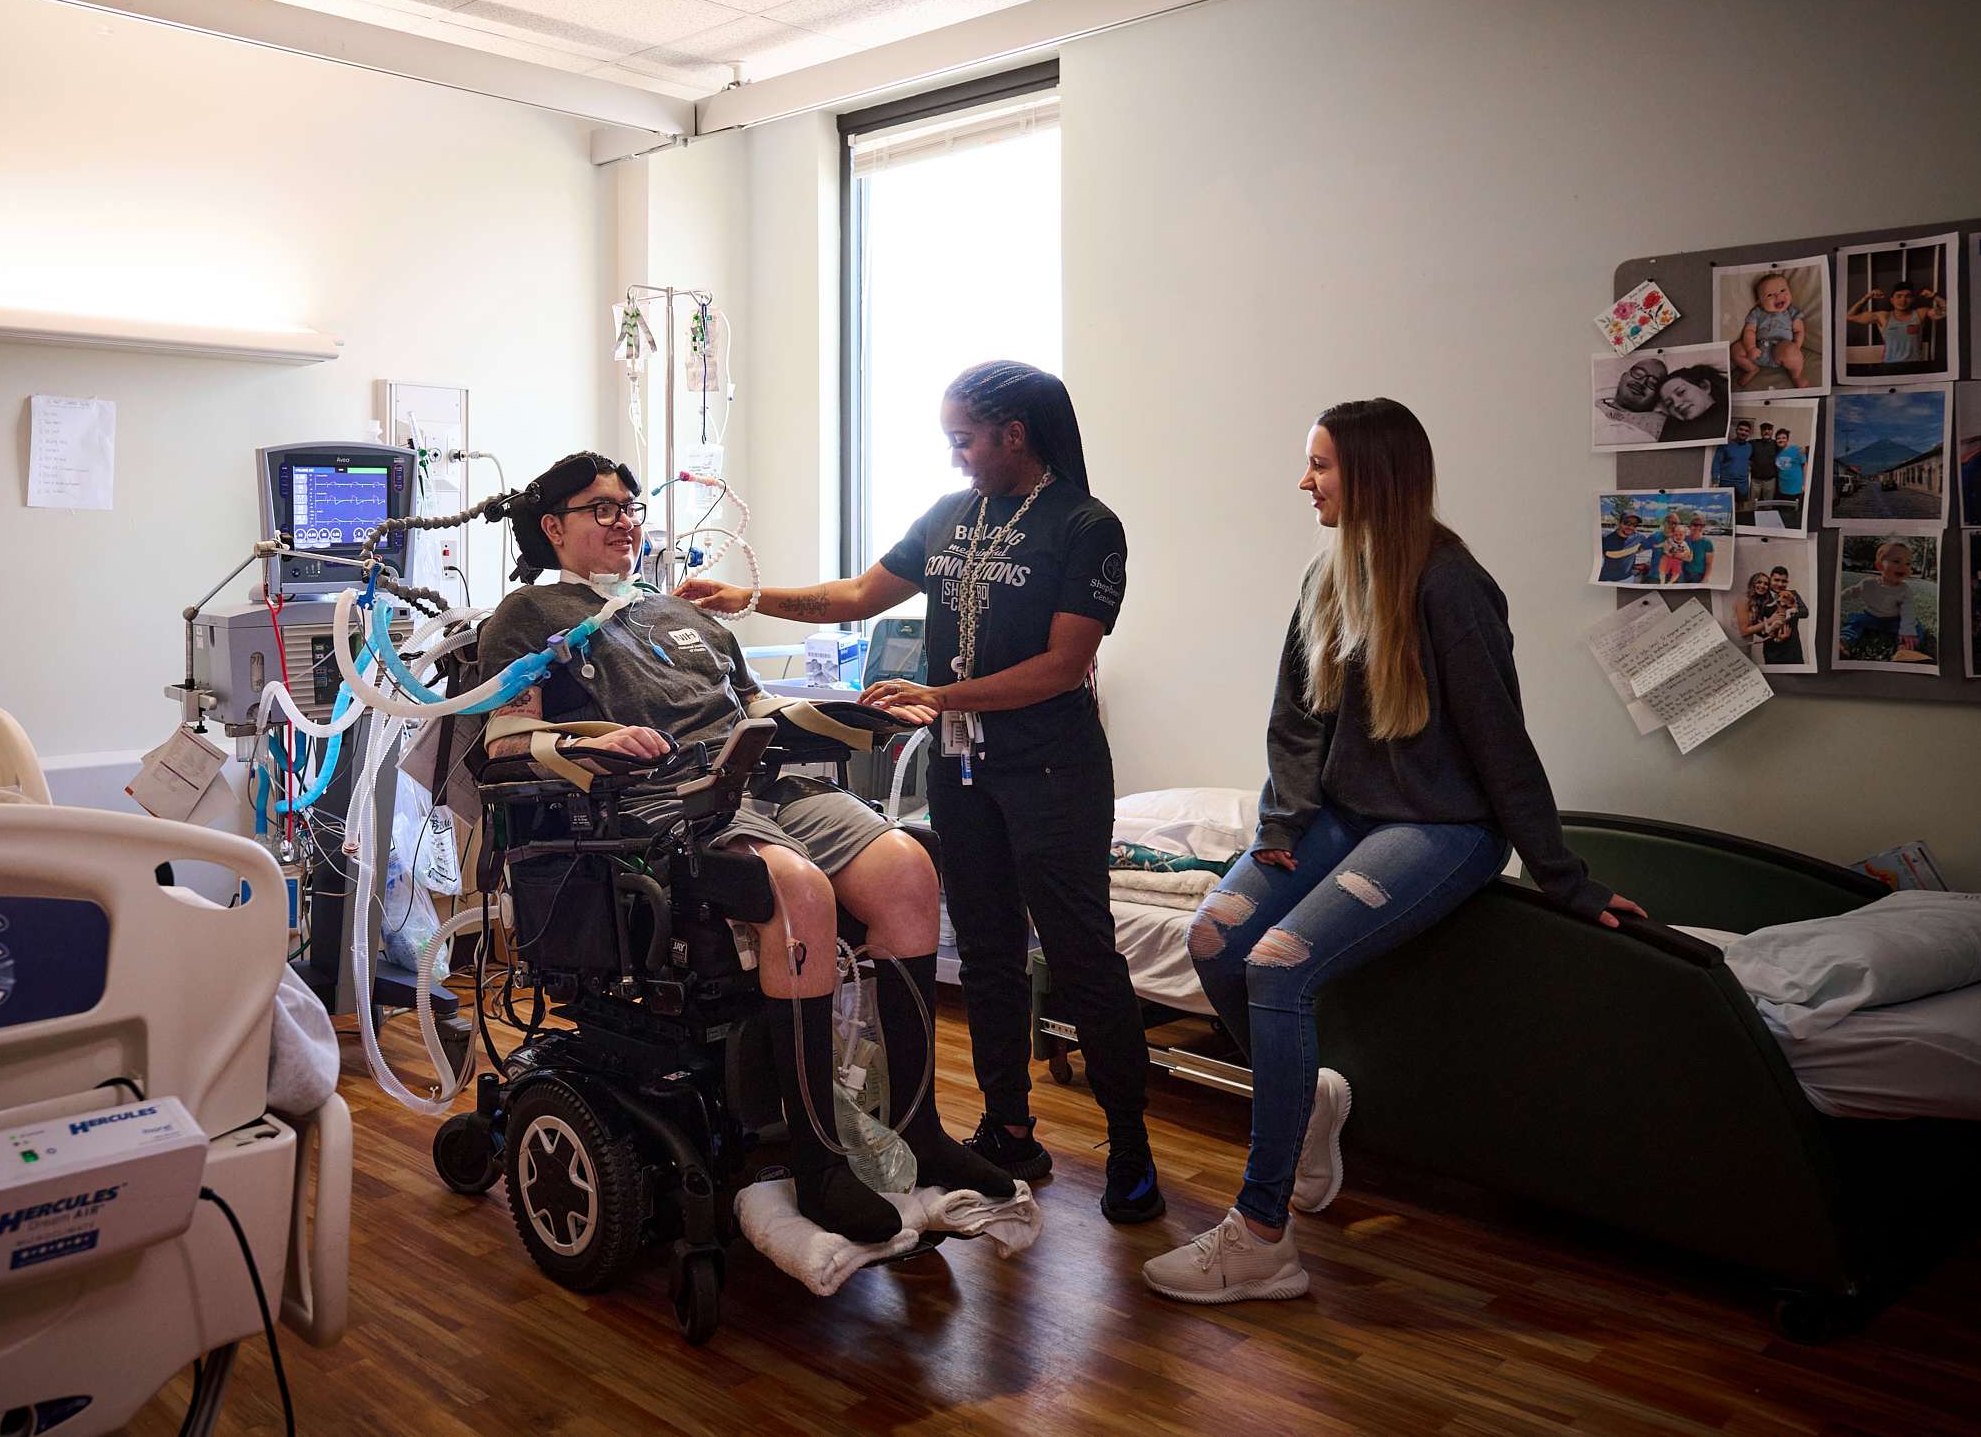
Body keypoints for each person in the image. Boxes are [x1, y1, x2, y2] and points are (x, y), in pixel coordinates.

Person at [1143, 397, 1646, 1305]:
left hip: (1444, 828)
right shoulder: (1328, 573)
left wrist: (1565, 879)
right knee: (1212, 938)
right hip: (1340, 814)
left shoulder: (1453, 587)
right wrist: (1285, 828)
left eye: (1321, 466)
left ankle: (1262, 1237)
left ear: (1373, 475)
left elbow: (1503, 744)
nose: (1305, 481)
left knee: (1279, 964)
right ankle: (1314, 1103)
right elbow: (1295, 723)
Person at [477, 452, 1012, 1245]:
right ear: (554, 526)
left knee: (907, 868)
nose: (626, 520)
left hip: (759, 783)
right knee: (799, 892)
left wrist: (856, 715)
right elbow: (505, 737)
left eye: (630, 505)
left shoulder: (683, 615)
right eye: (602, 509)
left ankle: (918, 1127)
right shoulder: (526, 617)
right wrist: (598, 738)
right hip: (661, 805)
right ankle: (819, 1160)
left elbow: (759, 709)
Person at [681, 362, 1163, 1224]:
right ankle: (1008, 1127)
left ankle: (1131, 1146)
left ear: (1015, 435)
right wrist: (744, 596)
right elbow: (857, 595)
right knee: (982, 955)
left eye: (964, 440)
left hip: (1052, 772)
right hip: (964, 772)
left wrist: (941, 697)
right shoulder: (949, 519)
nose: (956, 459)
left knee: (1083, 956)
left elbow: (1064, 666)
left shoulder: (1087, 528)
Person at [1839, 540, 1933, 663]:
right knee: (1855, 622)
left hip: (1894, 620)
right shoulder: (1868, 583)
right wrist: (1837, 598)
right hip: (1871, 617)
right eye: (1896, 561)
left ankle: (1905, 651)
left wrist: (1907, 630)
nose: (1903, 566)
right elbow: (1852, 592)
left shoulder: (1904, 590)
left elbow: (1908, 612)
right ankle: (1842, 643)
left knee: (1916, 628)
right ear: (1879, 566)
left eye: (1908, 563)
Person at [1733, 269, 1808, 390]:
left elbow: (1799, 331)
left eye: (1783, 290)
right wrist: (1750, 348)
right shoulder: (1757, 313)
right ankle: (1752, 369)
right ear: (1760, 302)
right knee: (1736, 349)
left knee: (1790, 352)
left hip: (1781, 351)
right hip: (1758, 351)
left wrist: (1795, 349)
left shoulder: (1791, 312)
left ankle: (1796, 375)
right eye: (1770, 295)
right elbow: (1749, 331)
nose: (1778, 296)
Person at [1847, 281, 1947, 369]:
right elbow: (1850, 316)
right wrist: (1867, 297)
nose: (1903, 300)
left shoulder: (1920, 313)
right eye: (1899, 296)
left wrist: (1934, 296)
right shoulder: (1883, 317)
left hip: (1915, 367)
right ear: (1892, 300)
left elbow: (1947, 311)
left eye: (1907, 296)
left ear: (1912, 299)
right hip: (1889, 367)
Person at [1654, 363, 1731, 446]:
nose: (1676, 404)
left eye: (1681, 392)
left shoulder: (1728, 414)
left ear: (1704, 386)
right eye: (1669, 404)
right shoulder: (1672, 427)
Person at [1596, 507, 1657, 583]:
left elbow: (1651, 546)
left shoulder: (1639, 538)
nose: (1630, 527)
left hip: (1627, 579)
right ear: (1619, 523)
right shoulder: (1605, 538)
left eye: (1634, 525)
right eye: (1626, 523)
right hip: (1606, 579)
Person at [1713, 418, 1756, 520]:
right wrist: (1715, 479)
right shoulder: (1725, 445)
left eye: (1746, 431)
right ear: (1736, 430)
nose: (1743, 432)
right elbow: (1716, 461)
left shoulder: (1750, 447)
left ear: (1749, 433)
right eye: (1741, 429)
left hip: (1742, 484)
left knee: (1740, 511)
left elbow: (1750, 461)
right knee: (1725, 510)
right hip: (1726, 482)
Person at [1770, 425, 1809, 528]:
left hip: (1795, 488)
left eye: (1783, 438)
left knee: (1793, 515)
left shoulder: (1796, 450)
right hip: (1782, 488)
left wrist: (1805, 484)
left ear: (1787, 439)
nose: (1781, 440)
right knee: (1782, 514)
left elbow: (1805, 466)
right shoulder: (1776, 453)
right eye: (1778, 438)